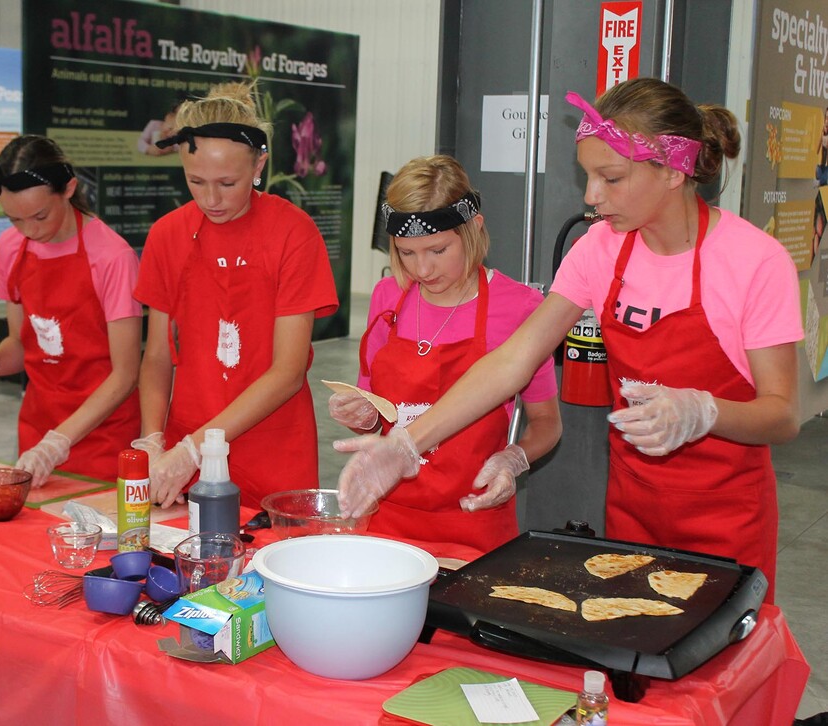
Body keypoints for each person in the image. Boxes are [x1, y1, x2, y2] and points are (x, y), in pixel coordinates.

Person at [336, 78, 802, 601]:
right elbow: (512, 360)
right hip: (633, 505)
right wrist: (405, 445)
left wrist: (705, 412)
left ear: (673, 170)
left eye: (611, 177)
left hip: (727, 513)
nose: (590, 196)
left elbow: (782, 414)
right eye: (588, 175)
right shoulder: (598, 251)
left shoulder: (754, 261)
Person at [329, 156, 560, 551]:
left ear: (474, 229)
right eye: (406, 253)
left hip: (473, 518)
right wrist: (362, 416)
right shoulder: (388, 299)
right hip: (388, 517)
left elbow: (547, 424)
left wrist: (513, 459)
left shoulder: (521, 307)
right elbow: (378, 416)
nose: (422, 269)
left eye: (437, 250)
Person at [133, 81, 339, 509]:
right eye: (196, 181)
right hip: (184, 454)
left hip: (273, 451)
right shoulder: (167, 235)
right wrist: (155, 440)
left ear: (259, 163)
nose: (211, 199)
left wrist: (196, 448)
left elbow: (288, 370)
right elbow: (156, 355)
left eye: (228, 182)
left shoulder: (292, 233)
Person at [0, 135, 141, 486]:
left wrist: (60, 441)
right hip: (37, 435)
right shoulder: (11, 248)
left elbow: (126, 374)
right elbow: (23, 345)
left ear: (68, 189)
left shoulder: (112, 257)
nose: (29, 231)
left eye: (40, 216)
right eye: (15, 219)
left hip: (104, 438)